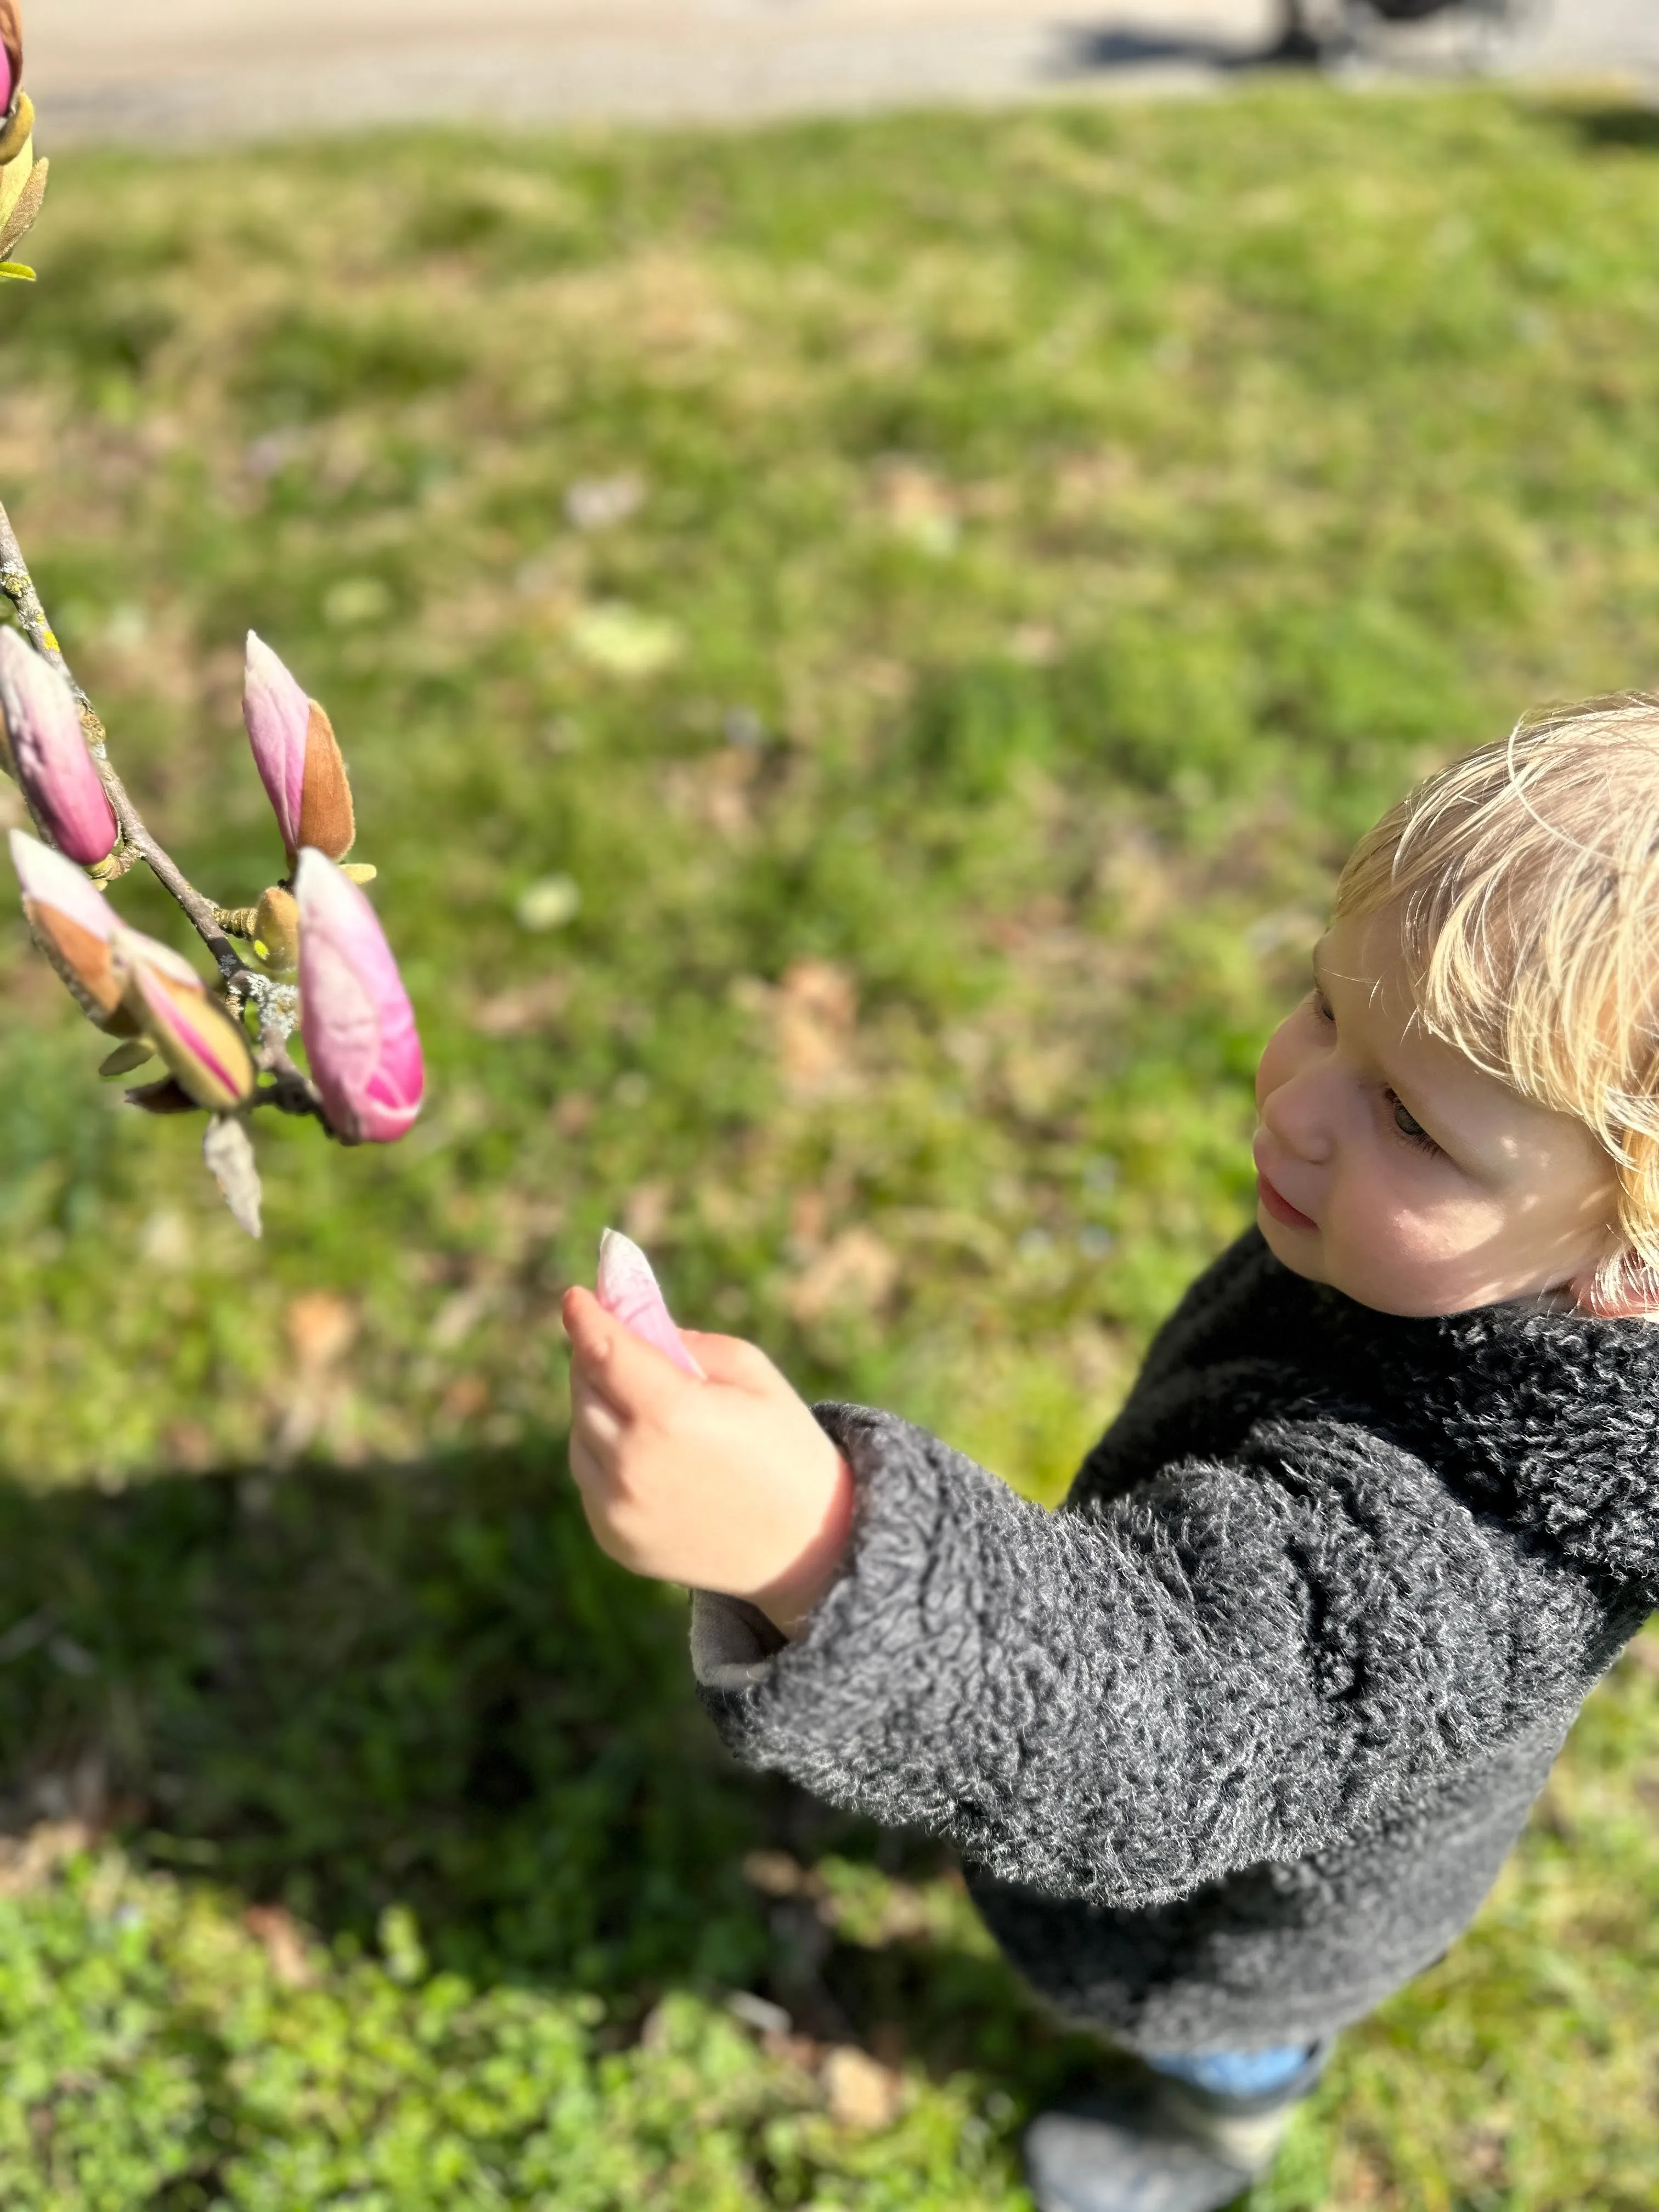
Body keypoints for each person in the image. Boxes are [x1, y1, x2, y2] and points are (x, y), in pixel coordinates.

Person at [562, 693, 1659, 2212]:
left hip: (1240, 1919)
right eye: (1325, 1001)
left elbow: (1165, 1721)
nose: (1296, 1093)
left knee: (1231, 2037)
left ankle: (1218, 2129)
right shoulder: (1453, 1261)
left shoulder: (1469, 1557)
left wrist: (817, 1547)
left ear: (1632, 1263)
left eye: (1410, 1120)